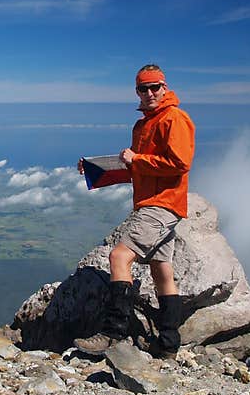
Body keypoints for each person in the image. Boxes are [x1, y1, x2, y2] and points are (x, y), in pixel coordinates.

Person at [74, 64, 195, 359]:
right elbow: (137, 168)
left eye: (156, 87)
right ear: (137, 91)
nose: (151, 92)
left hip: (162, 203)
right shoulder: (143, 125)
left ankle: (113, 333)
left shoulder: (174, 119)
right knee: (161, 270)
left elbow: (180, 163)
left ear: (165, 88)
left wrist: (137, 158)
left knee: (119, 256)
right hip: (154, 202)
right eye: (144, 88)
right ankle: (168, 345)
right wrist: (96, 169)